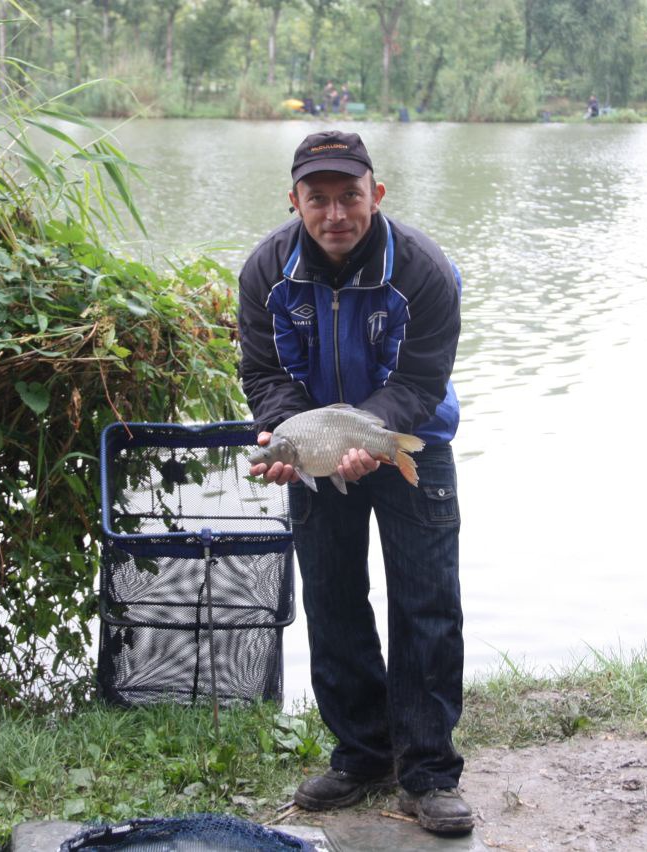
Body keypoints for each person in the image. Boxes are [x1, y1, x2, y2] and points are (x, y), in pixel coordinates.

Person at [238, 130, 470, 835]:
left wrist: (371, 435)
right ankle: (363, 754)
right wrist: (283, 437)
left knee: (426, 605)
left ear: (378, 195)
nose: (335, 213)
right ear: (295, 201)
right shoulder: (265, 271)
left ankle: (428, 772)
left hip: (409, 441)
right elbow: (264, 375)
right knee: (333, 599)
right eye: (319, 199)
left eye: (350, 196)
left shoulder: (425, 269)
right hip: (312, 454)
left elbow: (421, 380)